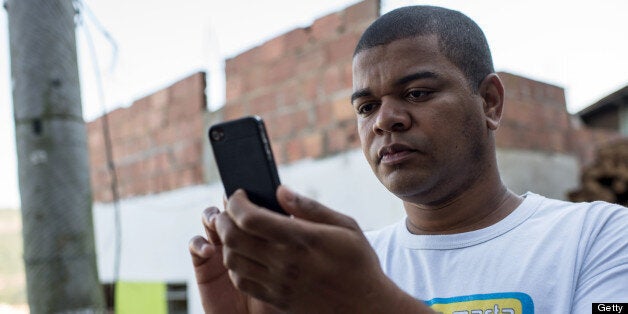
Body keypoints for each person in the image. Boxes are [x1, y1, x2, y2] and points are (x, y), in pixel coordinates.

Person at [189, 5, 628, 313]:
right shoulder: (346, 264)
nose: (386, 120)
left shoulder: (601, 239)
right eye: (366, 107)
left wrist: (366, 303)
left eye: (417, 93)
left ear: (490, 102)